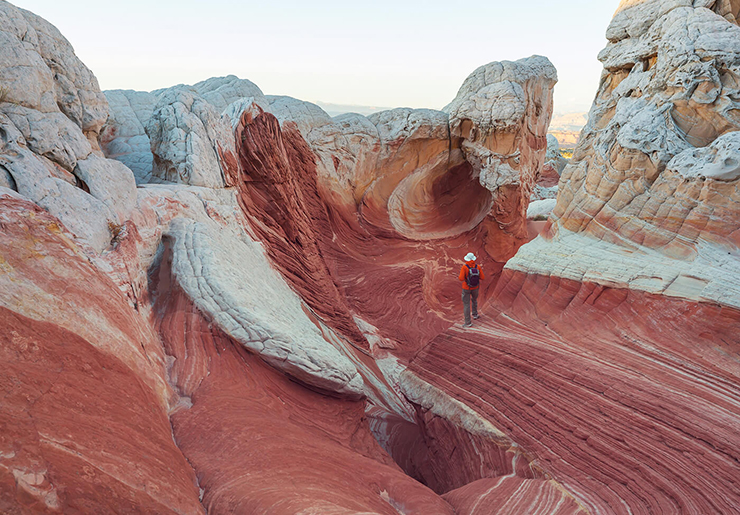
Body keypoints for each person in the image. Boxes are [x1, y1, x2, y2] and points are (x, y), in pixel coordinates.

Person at [459, 252, 484, 328]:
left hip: (466, 288)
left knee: (466, 304)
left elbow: (461, 278)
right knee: (474, 300)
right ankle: (475, 314)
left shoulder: (465, 267)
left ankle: (468, 322)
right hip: (475, 287)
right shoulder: (478, 267)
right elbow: (482, 277)